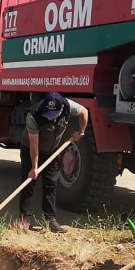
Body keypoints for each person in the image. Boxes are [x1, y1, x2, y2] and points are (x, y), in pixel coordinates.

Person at [18, 92, 89, 233]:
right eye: (47, 113)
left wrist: (81, 133)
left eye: (52, 114)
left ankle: (50, 220)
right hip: (31, 150)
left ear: (61, 109)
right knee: (29, 183)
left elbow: (84, 112)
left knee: (51, 184)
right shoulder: (33, 116)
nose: (48, 117)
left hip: (52, 151)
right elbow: (34, 145)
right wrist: (34, 167)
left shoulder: (67, 105)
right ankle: (24, 219)